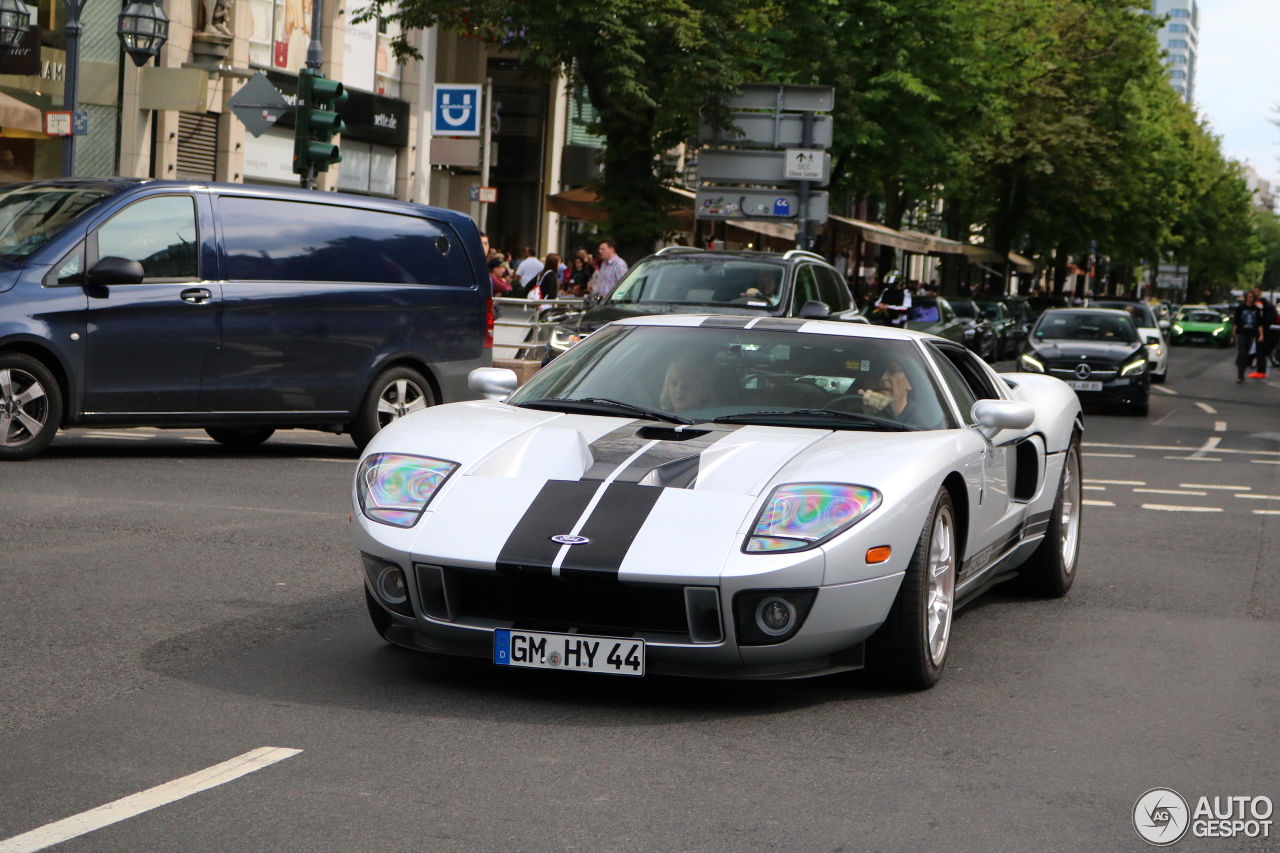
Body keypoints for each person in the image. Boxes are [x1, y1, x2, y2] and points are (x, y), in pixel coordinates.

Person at [859, 359, 925, 426]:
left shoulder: (921, 419)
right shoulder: (855, 411)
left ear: (910, 382)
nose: (883, 377)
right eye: (879, 371)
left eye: (893, 371)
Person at [1231, 290, 1265, 383]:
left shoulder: (1256, 309)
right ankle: (1240, 375)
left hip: (1251, 334)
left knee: (1246, 354)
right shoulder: (1240, 308)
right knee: (1242, 353)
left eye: (1252, 297)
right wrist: (1233, 335)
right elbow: (1236, 322)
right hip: (1241, 333)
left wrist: (1261, 334)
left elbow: (1259, 323)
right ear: (1246, 298)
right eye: (1249, 297)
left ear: (1254, 299)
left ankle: (1241, 374)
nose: (1250, 299)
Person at [1248, 287, 1277, 380]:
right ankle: (1261, 371)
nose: (1254, 293)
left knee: (1260, 350)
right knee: (1262, 351)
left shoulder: (1259, 302)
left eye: (1256, 291)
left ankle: (1260, 371)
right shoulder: (1268, 303)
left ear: (1259, 292)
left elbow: (1259, 315)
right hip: (1267, 328)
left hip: (1261, 328)